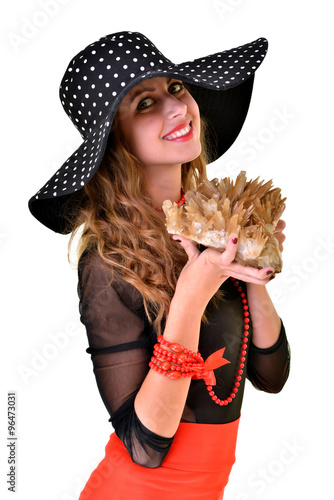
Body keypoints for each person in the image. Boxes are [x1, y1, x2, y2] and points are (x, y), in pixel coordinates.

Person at [28, 31, 290, 500]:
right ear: (116, 140)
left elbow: (272, 377)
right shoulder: (107, 262)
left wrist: (253, 269)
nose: (176, 108)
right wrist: (194, 292)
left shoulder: (211, 225)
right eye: (144, 103)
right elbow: (146, 446)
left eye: (175, 88)